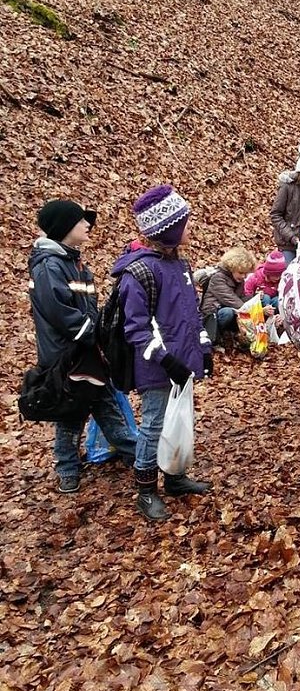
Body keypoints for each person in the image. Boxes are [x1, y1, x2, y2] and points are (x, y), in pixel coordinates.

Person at [111, 185, 213, 521]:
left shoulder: (179, 265)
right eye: (184, 223)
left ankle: (174, 477)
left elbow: (189, 313)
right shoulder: (138, 273)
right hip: (157, 367)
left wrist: (203, 347)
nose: (190, 229)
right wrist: (166, 360)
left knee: (178, 421)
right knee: (154, 424)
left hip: (183, 362)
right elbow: (137, 329)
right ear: (169, 229)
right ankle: (145, 489)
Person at [28, 199, 137, 494]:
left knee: (105, 405)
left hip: (86, 353)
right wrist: (94, 334)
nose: (88, 225)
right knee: (71, 414)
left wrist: (101, 331)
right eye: (81, 221)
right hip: (66, 357)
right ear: (64, 227)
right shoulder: (50, 266)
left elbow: (88, 308)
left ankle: (138, 455)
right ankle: (67, 469)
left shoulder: (76, 264)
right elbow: (61, 313)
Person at [200, 247, 275, 342]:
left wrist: (255, 298)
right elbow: (234, 302)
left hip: (231, 309)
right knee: (227, 313)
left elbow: (242, 298)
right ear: (232, 268)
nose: (244, 276)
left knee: (264, 299)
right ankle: (221, 335)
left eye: (246, 273)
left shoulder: (238, 279)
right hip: (213, 314)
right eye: (241, 273)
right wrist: (259, 311)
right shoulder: (217, 279)